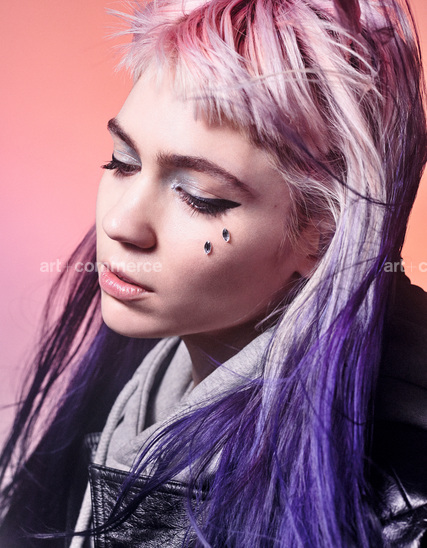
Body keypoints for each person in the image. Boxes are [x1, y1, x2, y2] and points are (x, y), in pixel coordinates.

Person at [1, 0, 426, 546]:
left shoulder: (400, 507)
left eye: (200, 197)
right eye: (122, 161)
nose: (120, 223)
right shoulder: (131, 388)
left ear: (323, 236)